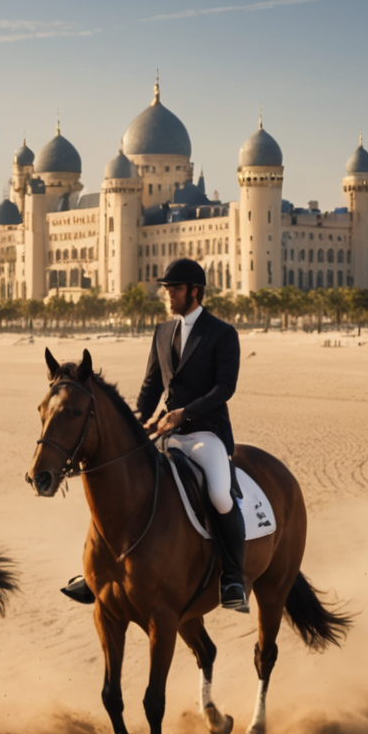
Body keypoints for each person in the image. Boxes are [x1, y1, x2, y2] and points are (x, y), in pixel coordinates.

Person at [136, 258, 248, 612]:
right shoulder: (162, 332)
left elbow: (224, 388)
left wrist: (184, 413)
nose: (168, 295)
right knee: (125, 479)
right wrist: (140, 419)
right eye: (167, 289)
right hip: (166, 432)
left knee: (219, 495)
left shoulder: (222, 333)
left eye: (175, 289)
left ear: (194, 292)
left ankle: (233, 577)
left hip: (206, 433)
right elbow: (151, 385)